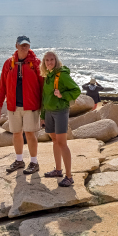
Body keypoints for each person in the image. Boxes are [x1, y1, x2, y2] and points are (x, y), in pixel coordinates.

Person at [0, 35, 43, 174]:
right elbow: (2, 85)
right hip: (13, 105)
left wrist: (44, 107)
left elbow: (42, 85)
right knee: (16, 133)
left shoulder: (36, 63)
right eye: (22, 44)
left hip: (31, 105)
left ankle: (34, 162)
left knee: (30, 133)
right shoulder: (8, 63)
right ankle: (19, 160)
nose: (24, 47)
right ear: (16, 45)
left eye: (27, 45)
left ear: (29, 46)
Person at [40, 51, 81, 187]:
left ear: (56, 61)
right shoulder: (47, 76)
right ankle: (58, 170)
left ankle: (69, 176)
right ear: (44, 63)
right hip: (49, 112)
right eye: (47, 60)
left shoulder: (61, 75)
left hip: (60, 112)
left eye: (52, 59)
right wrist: (42, 116)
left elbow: (76, 90)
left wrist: (62, 95)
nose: (49, 62)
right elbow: (44, 97)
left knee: (62, 143)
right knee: (54, 141)